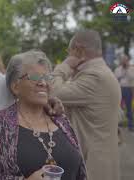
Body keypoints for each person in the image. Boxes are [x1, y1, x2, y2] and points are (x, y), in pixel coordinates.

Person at [0, 50, 86, 180]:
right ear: (15, 86)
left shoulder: (61, 121)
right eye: (34, 77)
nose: (43, 83)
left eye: (47, 77)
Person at [51, 29, 121, 180]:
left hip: (93, 166)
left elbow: (53, 92)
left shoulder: (95, 76)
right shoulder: (101, 72)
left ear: (78, 50)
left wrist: (64, 66)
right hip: (100, 161)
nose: (67, 55)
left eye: (69, 51)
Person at [114, 54, 134, 131]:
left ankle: (131, 125)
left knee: (129, 107)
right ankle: (118, 123)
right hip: (120, 88)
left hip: (128, 89)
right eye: (123, 60)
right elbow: (116, 78)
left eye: (125, 60)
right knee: (118, 107)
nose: (124, 62)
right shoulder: (118, 69)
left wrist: (127, 69)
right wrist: (122, 72)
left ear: (127, 61)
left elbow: (132, 77)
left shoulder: (131, 69)